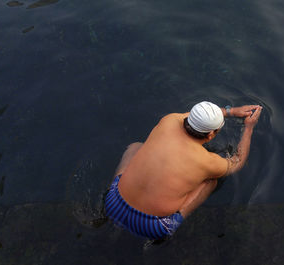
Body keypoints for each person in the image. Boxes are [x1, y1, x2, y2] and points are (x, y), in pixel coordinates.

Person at [105, 101, 262, 240]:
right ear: (211, 134)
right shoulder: (207, 161)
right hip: (153, 225)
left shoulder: (169, 120)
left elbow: (193, 117)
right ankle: (176, 221)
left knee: (136, 146)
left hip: (113, 202)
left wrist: (231, 111)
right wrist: (248, 128)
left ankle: (114, 203)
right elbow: (238, 161)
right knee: (211, 182)